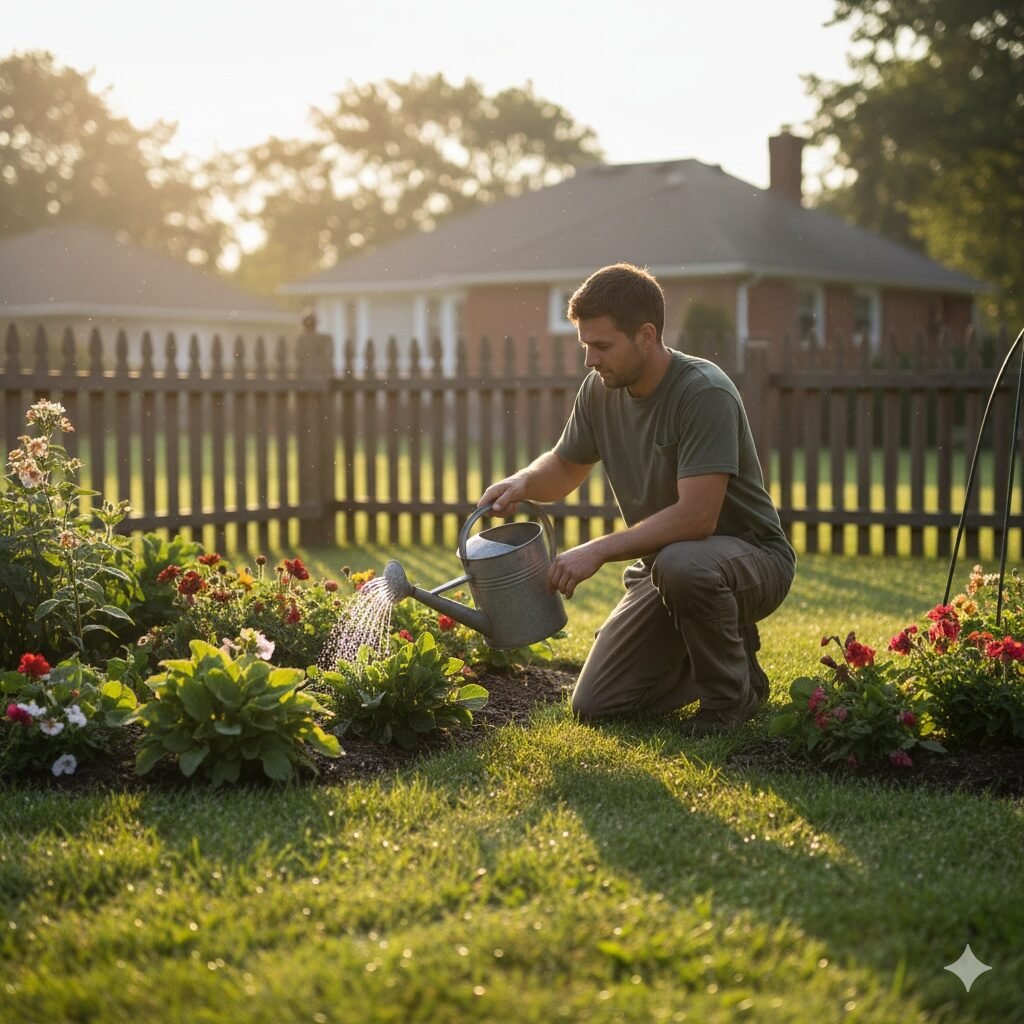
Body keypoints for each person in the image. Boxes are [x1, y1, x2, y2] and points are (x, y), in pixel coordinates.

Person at [477, 263, 796, 734]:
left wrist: (599, 550)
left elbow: (698, 518)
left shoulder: (703, 393)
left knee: (685, 566)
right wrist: (523, 482)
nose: (589, 359)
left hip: (749, 560)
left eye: (602, 346)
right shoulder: (600, 391)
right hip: (665, 569)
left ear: (646, 336)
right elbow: (566, 466)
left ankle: (731, 700)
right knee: (596, 704)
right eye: (585, 344)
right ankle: (725, 645)